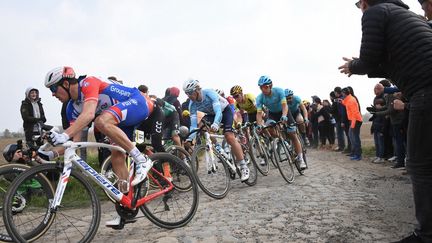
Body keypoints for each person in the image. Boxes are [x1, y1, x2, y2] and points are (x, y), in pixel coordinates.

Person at [339, 0, 432, 241]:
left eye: (359, 4)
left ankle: (426, 234)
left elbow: (368, 60)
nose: (360, 8)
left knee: (421, 166)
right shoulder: (407, 16)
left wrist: (353, 65)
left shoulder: (375, 13)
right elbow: (395, 62)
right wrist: (362, 67)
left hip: (425, 91)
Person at [44, 66, 154, 227]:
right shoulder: (71, 109)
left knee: (100, 121)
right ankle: (127, 207)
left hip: (136, 102)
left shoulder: (89, 83)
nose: (53, 94)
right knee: (117, 156)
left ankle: (142, 160)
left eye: (54, 88)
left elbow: (89, 115)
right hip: (119, 120)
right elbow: (73, 142)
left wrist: (64, 134)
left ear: (66, 84)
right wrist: (51, 153)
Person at [183, 79, 250, 181]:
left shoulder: (209, 93)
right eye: (186, 94)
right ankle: (220, 150)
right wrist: (190, 138)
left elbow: (218, 111)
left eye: (190, 93)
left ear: (197, 90)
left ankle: (243, 166)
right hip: (210, 114)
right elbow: (193, 125)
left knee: (229, 136)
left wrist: (216, 123)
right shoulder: (192, 104)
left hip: (224, 111)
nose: (189, 96)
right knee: (201, 129)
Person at [255, 76, 307, 170]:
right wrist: (259, 125)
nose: (263, 89)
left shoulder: (279, 91)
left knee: (292, 134)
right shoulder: (259, 98)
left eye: (265, 87)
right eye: (261, 87)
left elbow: (284, 105)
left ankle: (300, 158)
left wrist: (284, 115)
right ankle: (283, 142)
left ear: (270, 86)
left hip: (284, 111)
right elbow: (259, 113)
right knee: (269, 128)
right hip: (272, 114)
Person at [341, 87, 362, 160]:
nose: (341, 95)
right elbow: (345, 103)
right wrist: (341, 101)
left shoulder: (351, 100)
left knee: (355, 138)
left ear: (344, 93)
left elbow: (355, 113)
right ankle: (355, 153)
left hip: (355, 120)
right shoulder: (348, 99)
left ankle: (358, 155)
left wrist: (352, 125)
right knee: (351, 136)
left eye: (342, 93)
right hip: (353, 120)